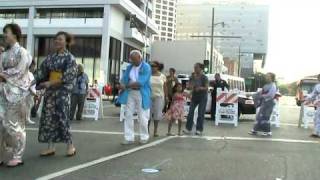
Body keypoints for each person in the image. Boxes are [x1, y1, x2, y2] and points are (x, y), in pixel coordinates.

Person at [35, 31, 77, 157]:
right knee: (49, 118)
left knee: (62, 117)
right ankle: (51, 147)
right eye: (56, 39)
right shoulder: (50, 57)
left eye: (60, 39)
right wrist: (29, 81)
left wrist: (51, 83)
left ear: (66, 42)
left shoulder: (70, 58)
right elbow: (41, 72)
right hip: (50, 92)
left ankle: (70, 145)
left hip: (62, 92)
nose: (57, 41)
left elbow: (69, 76)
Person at [0, 23, 32, 167]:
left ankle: (17, 155)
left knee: (14, 125)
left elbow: (20, 71)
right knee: (1, 124)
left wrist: (3, 75)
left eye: (6, 32)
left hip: (16, 93)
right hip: (3, 91)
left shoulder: (22, 52)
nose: (4, 35)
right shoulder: (4, 54)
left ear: (14, 34)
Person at [118, 50, 152, 145]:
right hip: (130, 93)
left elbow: (140, 82)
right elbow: (124, 79)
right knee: (128, 114)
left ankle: (144, 136)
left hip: (142, 93)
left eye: (134, 59)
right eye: (131, 59)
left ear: (140, 58)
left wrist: (126, 86)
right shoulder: (129, 67)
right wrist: (121, 84)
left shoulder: (146, 67)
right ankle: (129, 137)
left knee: (143, 116)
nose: (132, 61)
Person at [183, 63, 209, 136]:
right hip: (194, 96)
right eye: (194, 67)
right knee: (190, 112)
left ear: (201, 69)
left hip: (203, 97)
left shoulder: (204, 77)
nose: (195, 69)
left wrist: (200, 88)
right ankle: (188, 128)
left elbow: (206, 87)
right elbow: (190, 86)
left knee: (200, 113)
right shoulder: (192, 77)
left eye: (196, 67)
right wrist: (189, 90)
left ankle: (199, 129)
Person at [149, 61, 168, 137]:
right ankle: (146, 130)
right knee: (148, 114)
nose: (153, 67)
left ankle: (155, 130)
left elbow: (165, 87)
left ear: (158, 67)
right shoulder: (148, 75)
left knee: (157, 114)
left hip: (159, 97)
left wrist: (166, 97)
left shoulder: (162, 76)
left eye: (154, 66)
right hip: (148, 96)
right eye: (151, 66)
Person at [26, 60, 37, 125]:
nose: (34, 67)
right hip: (28, 93)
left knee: (29, 106)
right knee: (27, 106)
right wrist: (33, 92)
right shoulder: (28, 74)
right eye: (34, 66)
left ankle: (27, 118)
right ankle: (27, 119)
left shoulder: (30, 74)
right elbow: (27, 85)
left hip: (31, 93)